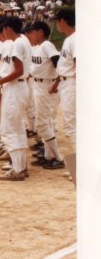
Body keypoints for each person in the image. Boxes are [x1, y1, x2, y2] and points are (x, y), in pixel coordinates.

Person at [0, 16, 32, 181]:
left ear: (9, 28)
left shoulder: (18, 43)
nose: (3, 31)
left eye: (4, 28)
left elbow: (18, 70)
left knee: (10, 128)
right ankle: (20, 166)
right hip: (17, 87)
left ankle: (18, 169)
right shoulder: (23, 41)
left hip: (15, 86)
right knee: (17, 128)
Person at [27, 20, 65, 169]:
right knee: (44, 122)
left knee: (43, 123)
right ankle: (49, 156)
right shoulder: (38, 47)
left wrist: (57, 82)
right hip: (38, 85)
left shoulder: (47, 45)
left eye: (33, 31)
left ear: (40, 32)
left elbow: (58, 62)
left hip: (46, 86)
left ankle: (58, 158)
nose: (31, 34)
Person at [50, 8, 76, 152]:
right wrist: (56, 84)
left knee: (70, 127)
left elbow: (79, 66)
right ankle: (79, 170)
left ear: (63, 21)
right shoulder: (68, 39)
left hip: (72, 83)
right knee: (71, 126)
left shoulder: (75, 39)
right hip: (66, 82)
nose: (57, 24)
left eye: (57, 21)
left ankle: (81, 171)